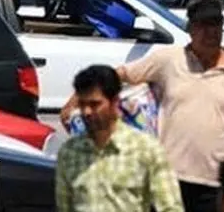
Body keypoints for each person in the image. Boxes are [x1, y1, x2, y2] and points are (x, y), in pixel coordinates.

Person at [117, 0, 224, 212]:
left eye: (215, 24)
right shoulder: (168, 60)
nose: (210, 32)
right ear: (191, 29)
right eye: (203, 25)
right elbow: (122, 74)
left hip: (215, 188)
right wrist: (78, 99)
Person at [55, 65, 183, 212]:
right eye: (82, 105)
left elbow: (170, 207)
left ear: (114, 102)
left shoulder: (146, 149)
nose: (87, 112)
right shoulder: (69, 152)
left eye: (95, 104)